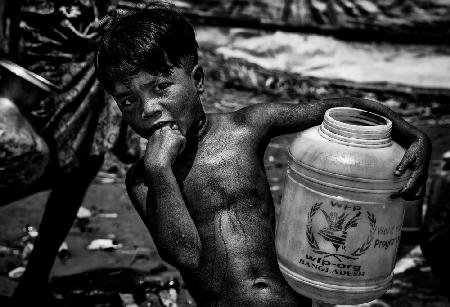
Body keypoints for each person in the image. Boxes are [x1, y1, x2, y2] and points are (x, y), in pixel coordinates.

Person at [95, 2, 431, 306]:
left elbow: (335, 109)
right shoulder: (144, 178)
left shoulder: (248, 126)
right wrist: (159, 169)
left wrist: (412, 136)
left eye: (160, 87)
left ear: (197, 79)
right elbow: (184, 254)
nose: (149, 109)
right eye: (128, 100)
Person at [0, 0, 139, 305]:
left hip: (89, 41)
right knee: (14, 152)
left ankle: (34, 282)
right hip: (41, 46)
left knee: (86, 161)